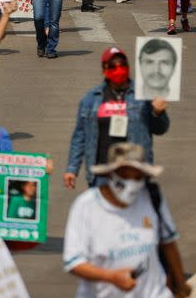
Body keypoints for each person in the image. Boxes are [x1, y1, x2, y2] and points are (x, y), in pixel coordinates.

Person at [63, 143, 190, 298]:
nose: (132, 183)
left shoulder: (150, 197)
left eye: (138, 177)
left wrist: (181, 285)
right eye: (125, 175)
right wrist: (111, 277)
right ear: (111, 174)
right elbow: (74, 262)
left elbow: (168, 242)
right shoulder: (86, 206)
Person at [64, 47, 169, 189]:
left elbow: (160, 129)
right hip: (101, 174)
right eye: (113, 66)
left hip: (135, 173)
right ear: (104, 70)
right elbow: (80, 136)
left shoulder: (144, 95)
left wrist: (158, 112)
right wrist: (72, 169)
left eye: (123, 65)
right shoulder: (91, 99)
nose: (119, 69)